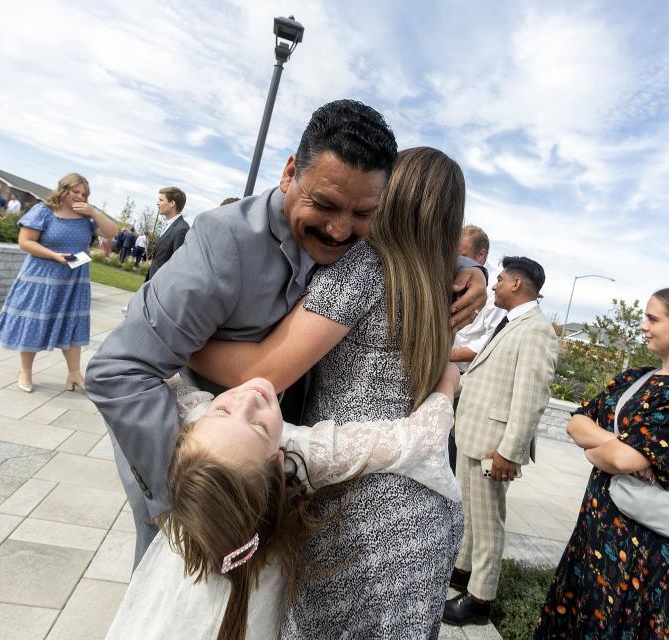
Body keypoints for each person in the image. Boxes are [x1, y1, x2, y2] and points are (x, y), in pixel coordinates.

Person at [85, 100, 487, 569]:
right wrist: (186, 496)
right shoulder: (223, 243)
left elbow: (406, 245)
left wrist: (467, 266)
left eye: (362, 213)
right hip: (194, 458)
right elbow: (118, 369)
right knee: (178, 585)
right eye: (325, 204)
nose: (340, 230)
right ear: (290, 171)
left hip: (279, 463)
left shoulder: (359, 251)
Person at [190, 147, 468, 638]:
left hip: (354, 504)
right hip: (425, 511)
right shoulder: (440, 283)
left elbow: (264, 372)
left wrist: (182, 341)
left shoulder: (363, 269)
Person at [106, 368, 460, 640]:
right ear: (278, 464)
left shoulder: (203, 428)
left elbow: (153, 374)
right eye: (259, 427)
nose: (248, 400)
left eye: (224, 409)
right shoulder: (300, 453)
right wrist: (446, 384)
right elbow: (421, 439)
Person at [533, 285, 669, 639]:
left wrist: (610, 450)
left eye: (653, 318)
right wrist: (617, 448)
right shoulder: (635, 377)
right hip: (596, 533)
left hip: (640, 554)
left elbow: (619, 458)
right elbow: (576, 422)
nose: (643, 326)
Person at [443, 256, 558, 626]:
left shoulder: (536, 331)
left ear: (517, 285)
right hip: (473, 435)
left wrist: (510, 452)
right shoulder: (513, 323)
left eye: (501, 278)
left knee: (488, 523)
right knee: (470, 517)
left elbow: (531, 396)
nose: (493, 284)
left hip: (493, 446)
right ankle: (462, 573)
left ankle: (480, 600)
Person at [0, 173, 117, 393]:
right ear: (63, 189)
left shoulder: (87, 218)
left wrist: (94, 211)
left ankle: (74, 374)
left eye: (84, 194)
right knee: (34, 322)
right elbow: (25, 242)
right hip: (41, 277)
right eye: (75, 191)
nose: (79, 196)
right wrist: (54, 255)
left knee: (72, 325)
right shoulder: (44, 211)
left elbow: (112, 232)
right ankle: (26, 371)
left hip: (73, 281)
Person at [448, 224, 508, 471]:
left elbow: (488, 343)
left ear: (482, 255)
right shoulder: (453, 275)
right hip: (443, 371)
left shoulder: (495, 290)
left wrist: (444, 356)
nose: (458, 260)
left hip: (466, 382)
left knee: (453, 450)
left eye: (464, 254)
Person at [145, 187, 189, 281]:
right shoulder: (168, 225)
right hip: (152, 282)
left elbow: (178, 264)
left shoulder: (182, 229)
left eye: (161, 200)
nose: (157, 203)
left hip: (161, 286)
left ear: (172, 203)